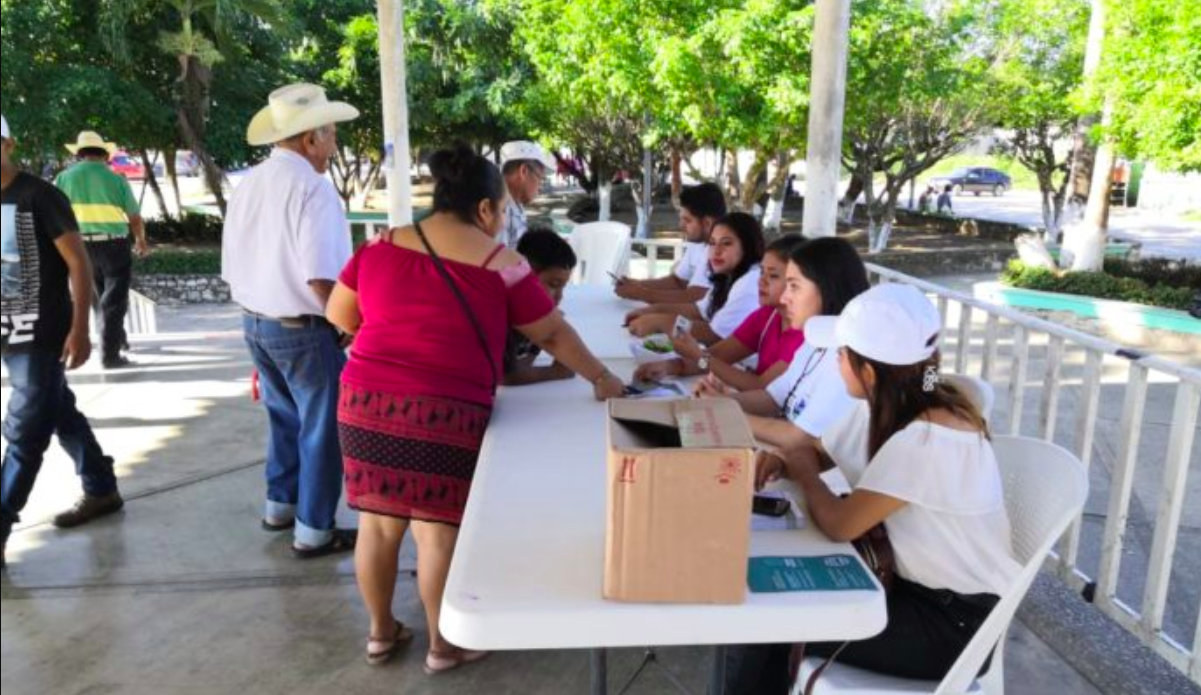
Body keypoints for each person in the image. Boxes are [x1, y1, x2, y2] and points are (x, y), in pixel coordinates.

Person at [326, 143, 625, 673]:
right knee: (438, 531)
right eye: (504, 210)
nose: (503, 219)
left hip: (365, 397)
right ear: (486, 209)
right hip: (445, 407)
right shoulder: (501, 263)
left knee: (377, 523)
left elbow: (339, 312)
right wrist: (600, 376)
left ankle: (380, 633)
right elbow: (551, 332)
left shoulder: (378, 246)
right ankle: (444, 646)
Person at [724, 283, 1021, 694]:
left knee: (770, 623)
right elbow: (818, 449)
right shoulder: (905, 396)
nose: (835, 363)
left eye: (841, 355)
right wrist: (788, 459)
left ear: (867, 370)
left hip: (952, 625)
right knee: (768, 602)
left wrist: (802, 467)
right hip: (910, 591)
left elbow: (840, 524)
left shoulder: (929, 437)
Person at [221, 83, 360, 559]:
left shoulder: (251, 182)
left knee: (284, 419)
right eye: (331, 135)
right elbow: (321, 278)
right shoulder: (313, 188)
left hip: (255, 323)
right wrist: (352, 325)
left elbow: (230, 263)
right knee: (323, 428)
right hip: (301, 329)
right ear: (309, 140)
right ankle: (315, 530)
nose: (334, 145)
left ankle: (280, 506)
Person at [1, 115, 123, 568]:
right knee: (57, 410)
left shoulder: (40, 195)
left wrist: (80, 328)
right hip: (5, 329)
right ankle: (101, 487)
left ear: (8, 143)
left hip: (41, 330)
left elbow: (78, 262)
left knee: (25, 428)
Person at [695, 237, 869, 451]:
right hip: (784, 451)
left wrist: (698, 359)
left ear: (827, 287)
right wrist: (718, 397)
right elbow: (773, 396)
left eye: (793, 286)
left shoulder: (844, 357)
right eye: (761, 273)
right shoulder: (784, 325)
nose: (785, 297)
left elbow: (759, 387)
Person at [632, 234, 806, 391]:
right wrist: (673, 366)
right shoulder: (767, 316)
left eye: (773, 276)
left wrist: (698, 355)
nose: (761, 281)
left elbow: (760, 386)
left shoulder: (805, 332)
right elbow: (718, 357)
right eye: (761, 272)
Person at [55, 131, 149, 369]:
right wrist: (140, 240)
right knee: (114, 299)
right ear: (106, 154)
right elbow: (134, 218)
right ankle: (110, 355)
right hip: (113, 245)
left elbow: (53, 215)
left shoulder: (63, 178)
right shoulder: (116, 179)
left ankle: (117, 339)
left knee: (100, 298)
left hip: (78, 247)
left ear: (79, 154)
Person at [626, 211, 765, 344]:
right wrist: (652, 310)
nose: (716, 251)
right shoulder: (727, 276)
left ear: (747, 247)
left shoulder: (751, 281)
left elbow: (713, 335)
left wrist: (661, 322)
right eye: (712, 243)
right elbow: (698, 311)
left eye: (727, 243)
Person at [615, 182, 726, 304]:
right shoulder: (698, 244)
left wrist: (640, 293)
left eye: (687, 220)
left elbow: (694, 297)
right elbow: (677, 282)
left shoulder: (720, 252)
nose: (681, 226)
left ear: (707, 223)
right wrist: (635, 284)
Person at [505, 227, 577, 386]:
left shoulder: (538, 316)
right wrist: (555, 372)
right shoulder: (504, 315)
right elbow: (504, 376)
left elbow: (523, 364)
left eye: (563, 287)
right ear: (525, 277)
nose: (559, 297)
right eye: (553, 284)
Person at [499, 141, 556, 248]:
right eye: (540, 178)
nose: (540, 187)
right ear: (523, 171)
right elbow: (500, 263)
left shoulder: (516, 204)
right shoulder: (500, 209)